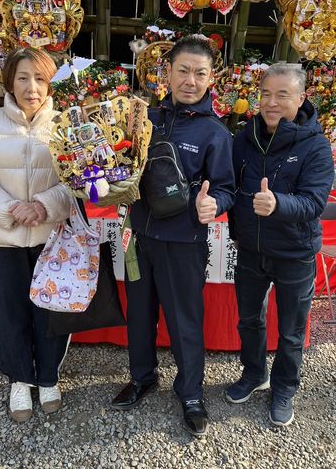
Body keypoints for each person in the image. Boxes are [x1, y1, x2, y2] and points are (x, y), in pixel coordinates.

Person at [110, 36, 235, 437]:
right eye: (182, 70)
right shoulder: (146, 118)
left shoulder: (216, 133)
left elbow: (227, 188)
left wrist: (213, 204)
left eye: (200, 73)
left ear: (211, 78)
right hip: (139, 234)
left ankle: (191, 392)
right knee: (140, 313)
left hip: (184, 240)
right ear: (167, 72)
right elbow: (122, 162)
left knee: (185, 320)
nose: (190, 80)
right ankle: (143, 376)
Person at [0, 47, 71, 423]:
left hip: (50, 238)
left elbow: (77, 182)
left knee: (50, 312)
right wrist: (13, 210)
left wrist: (43, 205)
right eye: (23, 77)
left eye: (40, 78)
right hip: (4, 240)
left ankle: (49, 376)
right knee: (9, 313)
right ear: (10, 81)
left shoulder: (65, 124)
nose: (32, 87)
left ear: (50, 82)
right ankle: (20, 379)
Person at [226, 63, 334, 427]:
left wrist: (278, 205)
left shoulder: (316, 145)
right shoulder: (245, 138)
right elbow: (228, 183)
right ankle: (254, 373)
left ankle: (285, 386)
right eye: (266, 94)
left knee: (290, 330)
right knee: (248, 321)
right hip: (251, 250)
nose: (271, 103)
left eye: (282, 95)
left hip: (295, 253)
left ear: (301, 98)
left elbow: (315, 202)